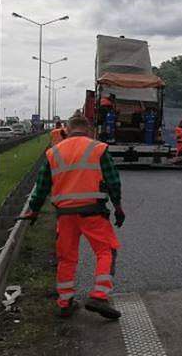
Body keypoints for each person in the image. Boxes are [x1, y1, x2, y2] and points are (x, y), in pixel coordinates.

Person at [19, 113, 125, 320]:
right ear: (89, 129)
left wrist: (34, 210)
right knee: (106, 251)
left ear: (67, 129)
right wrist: (118, 207)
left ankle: (65, 302)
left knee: (66, 258)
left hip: (65, 215)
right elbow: (113, 181)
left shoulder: (54, 152)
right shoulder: (98, 148)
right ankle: (99, 295)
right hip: (92, 211)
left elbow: (41, 187)